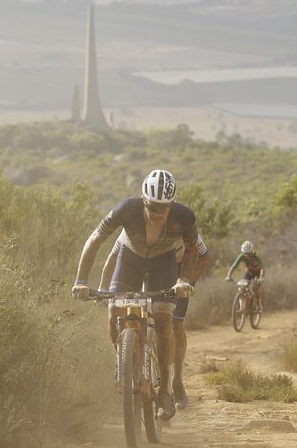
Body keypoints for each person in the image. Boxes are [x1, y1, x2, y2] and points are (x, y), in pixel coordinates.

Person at [72, 169, 207, 420]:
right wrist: (81, 280)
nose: (158, 214)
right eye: (153, 207)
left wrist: (184, 279)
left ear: (172, 204)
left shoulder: (184, 216)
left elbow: (193, 251)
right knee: (114, 309)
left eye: (163, 208)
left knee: (165, 320)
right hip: (130, 259)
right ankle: (123, 362)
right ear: (144, 200)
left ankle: (165, 391)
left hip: (163, 262)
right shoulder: (126, 209)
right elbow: (95, 240)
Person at [99, 231, 211, 410]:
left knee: (175, 324)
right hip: (141, 267)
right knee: (121, 313)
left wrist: (190, 283)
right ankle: (127, 361)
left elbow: (204, 256)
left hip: (175, 272)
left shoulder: (181, 225)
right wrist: (103, 289)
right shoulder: (135, 225)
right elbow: (113, 257)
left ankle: (177, 381)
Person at [225, 240, 265, 312]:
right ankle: (241, 307)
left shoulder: (257, 256)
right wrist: (228, 275)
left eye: (248, 253)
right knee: (241, 288)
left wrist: (261, 277)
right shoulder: (241, 256)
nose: (246, 255)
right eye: (245, 253)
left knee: (255, 287)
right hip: (249, 273)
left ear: (251, 251)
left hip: (258, 273)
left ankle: (258, 305)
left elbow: (262, 267)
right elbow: (233, 266)